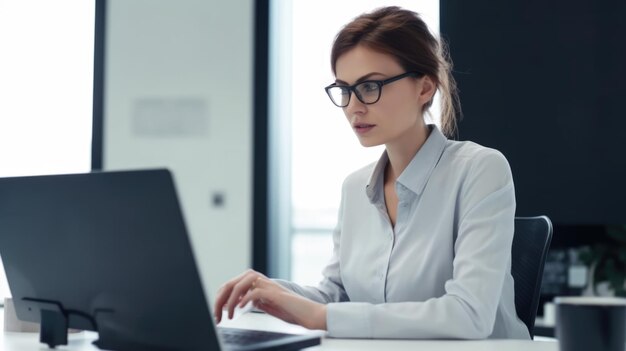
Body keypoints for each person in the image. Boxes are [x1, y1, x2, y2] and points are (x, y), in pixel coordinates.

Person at [214, 6, 530, 339]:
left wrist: (321, 316)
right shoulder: (355, 188)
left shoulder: (479, 169)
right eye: (345, 90)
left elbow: (468, 315)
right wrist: (271, 292)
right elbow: (336, 295)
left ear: (424, 88)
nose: (354, 106)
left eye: (370, 87)